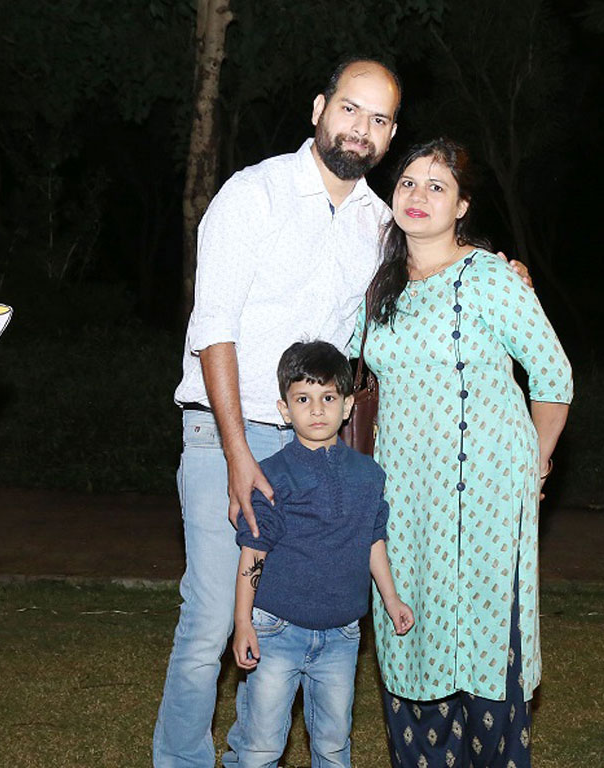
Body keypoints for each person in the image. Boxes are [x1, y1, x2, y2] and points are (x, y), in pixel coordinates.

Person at [154, 57, 402, 768]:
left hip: (317, 446)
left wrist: (498, 269)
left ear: (389, 136)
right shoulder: (253, 193)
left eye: (379, 119)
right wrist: (239, 454)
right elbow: (214, 328)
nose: (360, 129)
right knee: (211, 620)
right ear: (320, 108)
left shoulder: (381, 226)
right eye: (350, 109)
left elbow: (427, 285)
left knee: (287, 614)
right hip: (225, 433)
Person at [353, 138, 573, 768]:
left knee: (482, 638)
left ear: (462, 205)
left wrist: (535, 465)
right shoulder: (379, 289)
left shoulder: (490, 278)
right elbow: (351, 379)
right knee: (411, 632)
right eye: (408, 183)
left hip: (485, 499)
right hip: (403, 498)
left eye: (437, 186)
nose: (418, 196)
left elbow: (553, 375)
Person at [230, 340, 413, 768]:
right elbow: (253, 552)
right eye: (303, 399)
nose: (316, 410)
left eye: (328, 398)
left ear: (347, 405)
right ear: (284, 409)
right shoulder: (272, 475)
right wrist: (243, 623)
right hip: (276, 630)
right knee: (262, 746)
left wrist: (391, 599)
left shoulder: (369, 475)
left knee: (333, 745)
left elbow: (373, 540)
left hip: (342, 636)